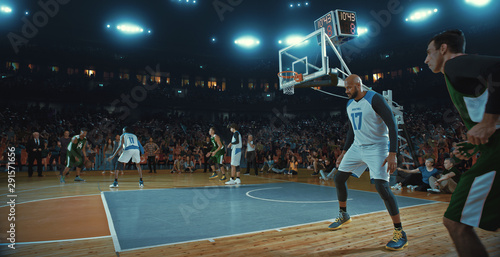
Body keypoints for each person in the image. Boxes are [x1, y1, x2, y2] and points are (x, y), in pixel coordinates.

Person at [425, 29, 499, 256]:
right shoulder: (462, 75)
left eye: (429, 53)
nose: (426, 59)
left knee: (455, 223)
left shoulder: (455, 65)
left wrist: (488, 121)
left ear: (443, 49)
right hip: (491, 147)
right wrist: (473, 144)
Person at [331, 74, 407, 250]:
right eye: (345, 88)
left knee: (382, 187)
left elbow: (392, 126)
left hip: (378, 147)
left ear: (358, 84)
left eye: (349, 87)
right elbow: (352, 130)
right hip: (358, 147)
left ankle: (400, 232)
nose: (347, 91)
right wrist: (343, 152)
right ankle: (344, 214)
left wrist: (393, 153)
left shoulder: (375, 98)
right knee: (339, 178)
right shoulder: (349, 103)